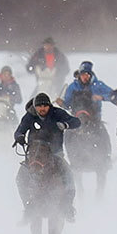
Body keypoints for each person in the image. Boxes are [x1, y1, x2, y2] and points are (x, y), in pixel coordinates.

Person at [13, 93, 80, 222]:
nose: (42, 109)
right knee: (20, 178)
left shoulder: (57, 113)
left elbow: (76, 122)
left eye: (45, 106)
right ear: (35, 107)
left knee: (68, 176)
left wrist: (65, 125)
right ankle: (28, 208)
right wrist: (19, 137)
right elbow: (19, 130)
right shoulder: (30, 116)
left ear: (49, 106)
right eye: (39, 106)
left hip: (55, 154)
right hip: (34, 154)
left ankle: (67, 207)